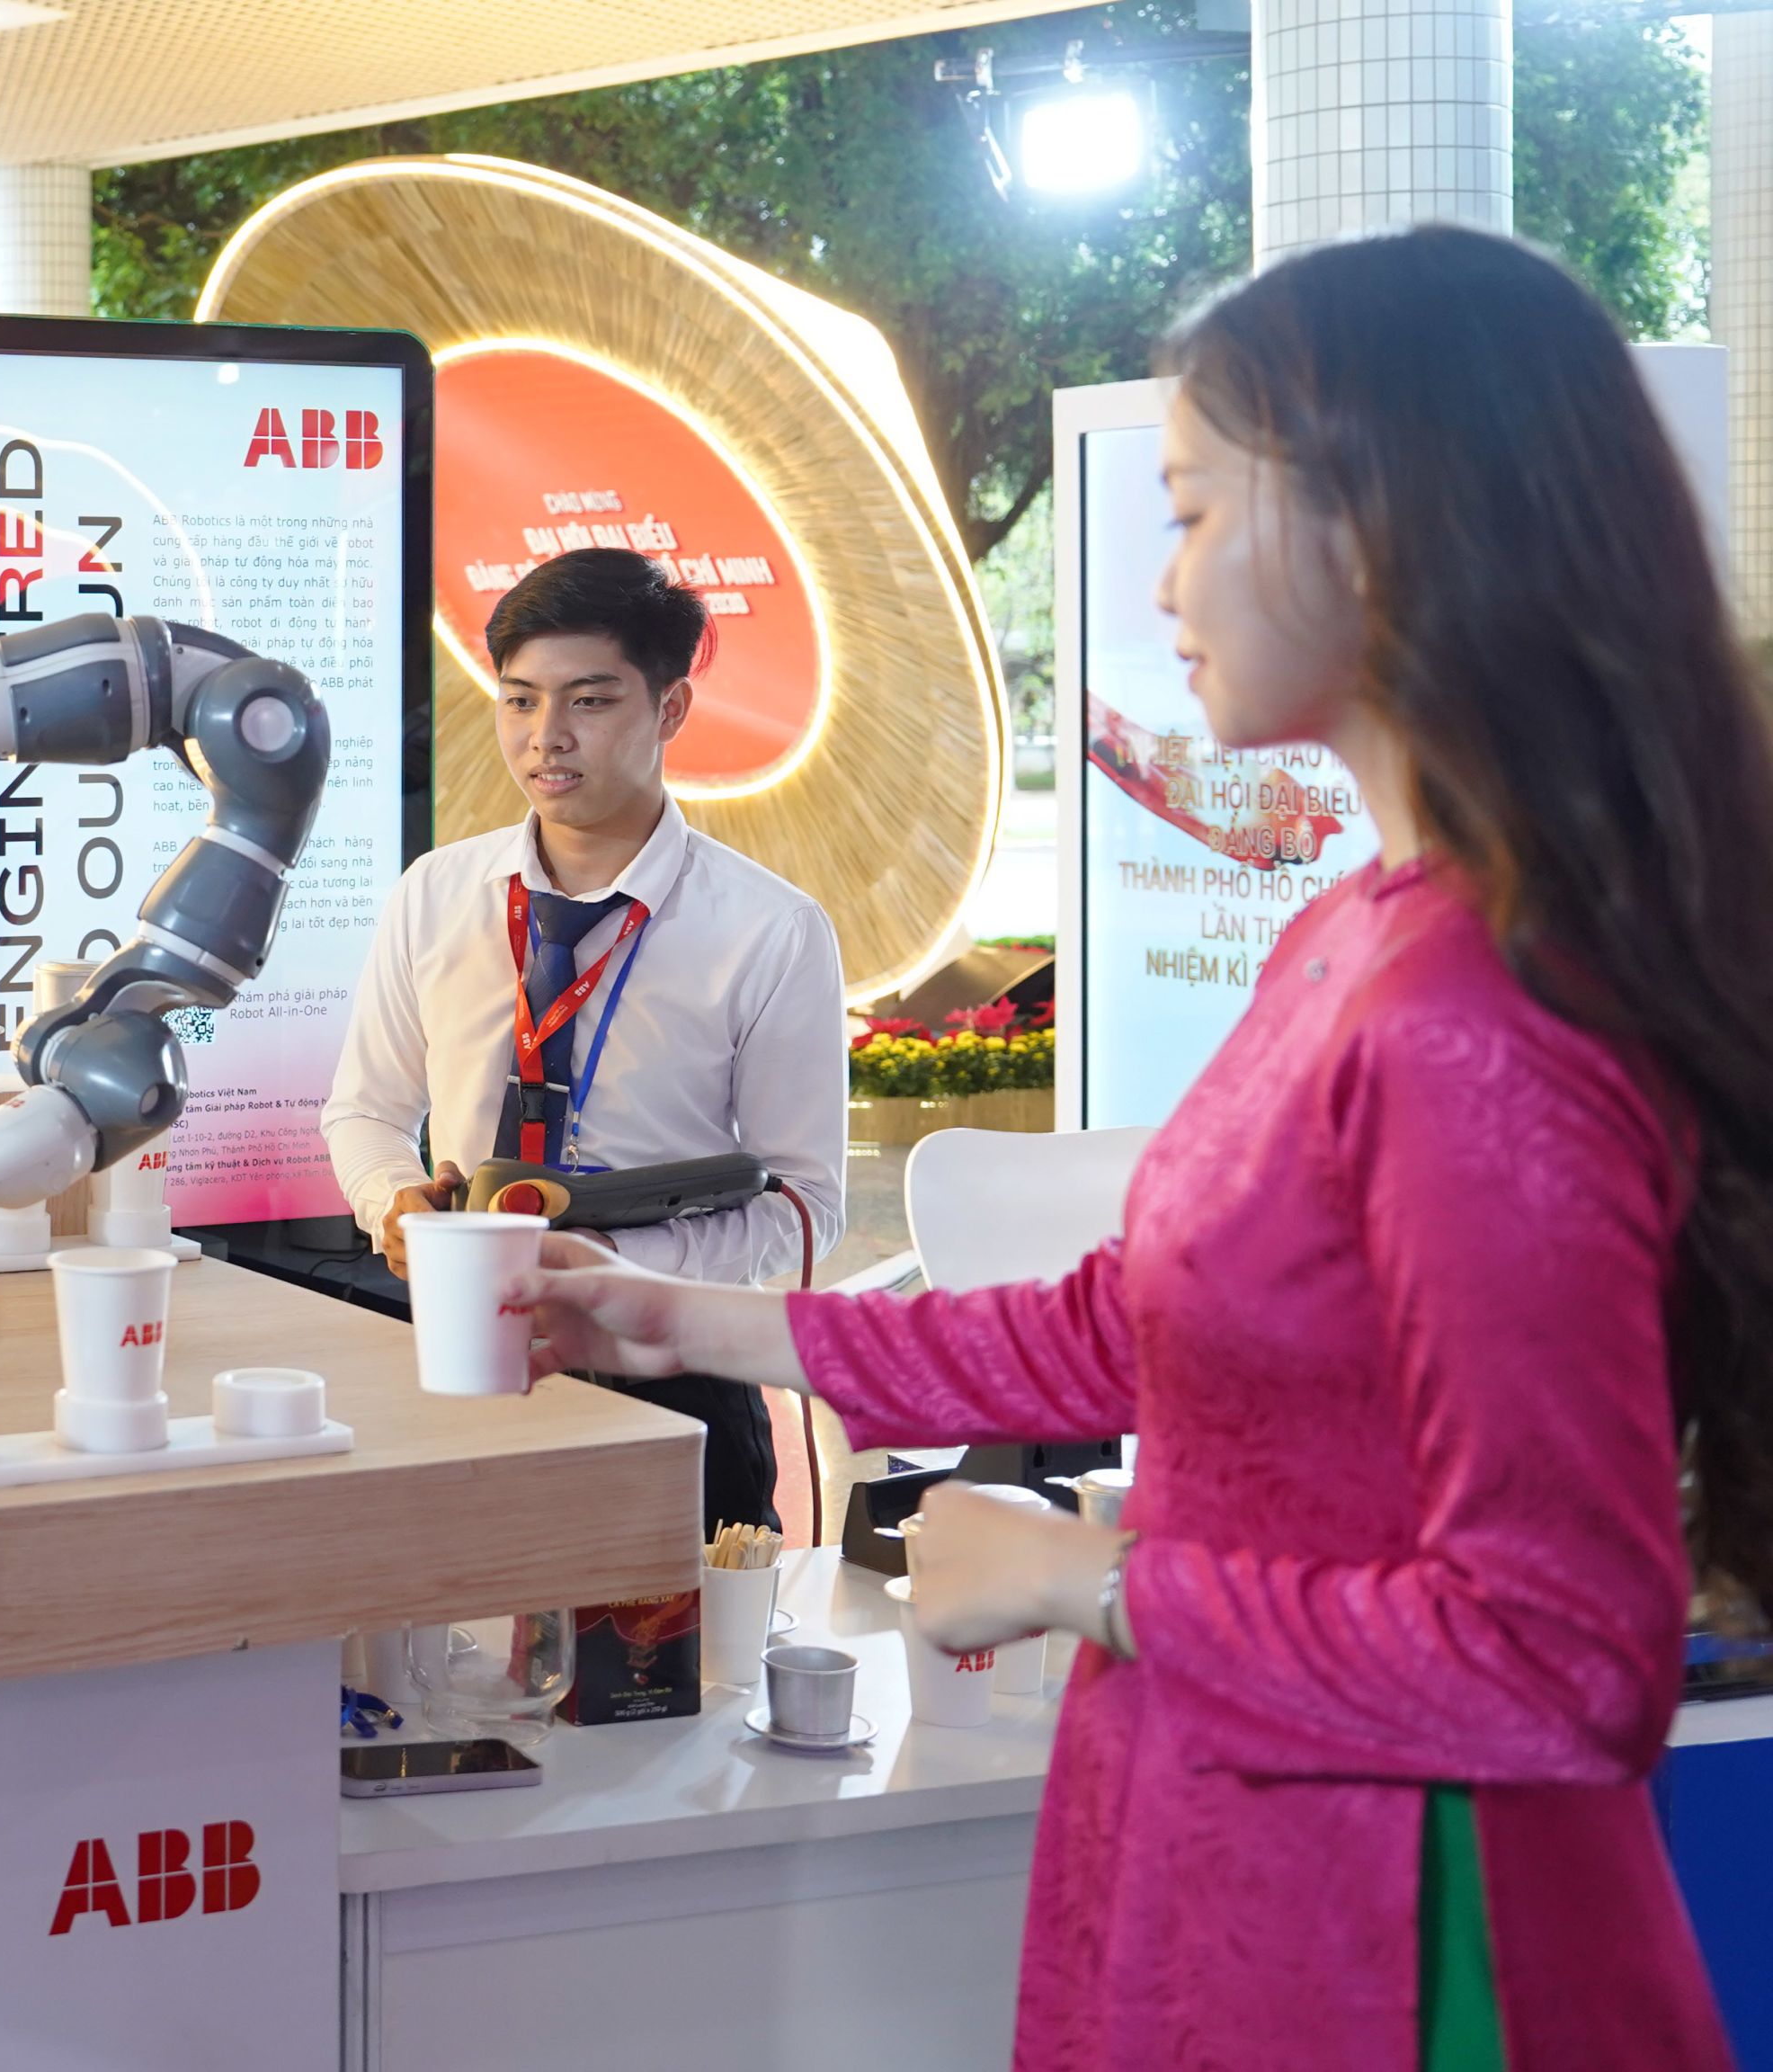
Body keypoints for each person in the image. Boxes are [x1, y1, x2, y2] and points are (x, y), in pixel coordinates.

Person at [504, 227, 1751, 2068]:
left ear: (1380, 527)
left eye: (1191, 510)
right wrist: (671, 1320)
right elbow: (1137, 1320)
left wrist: (1084, 1581)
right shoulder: (1359, 928)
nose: (1160, 579)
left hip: (1393, 1927)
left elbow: (1561, 1657)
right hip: (1233, 1833)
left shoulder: (1474, 1015)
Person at [319, 548, 846, 1531]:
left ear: (671, 708)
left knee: (672, 1633)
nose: (545, 738)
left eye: (589, 702)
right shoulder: (437, 893)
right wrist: (393, 1203)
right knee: (458, 1621)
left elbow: (805, 1205)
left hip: (672, 1371)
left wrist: (617, 1266)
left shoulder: (768, 930)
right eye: (519, 701)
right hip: (459, 1354)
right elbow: (365, 1110)